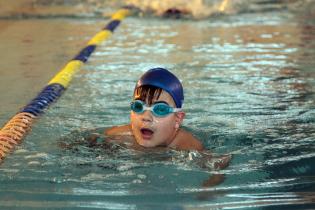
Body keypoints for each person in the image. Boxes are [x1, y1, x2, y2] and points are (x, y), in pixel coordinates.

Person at [105, 67, 204, 151]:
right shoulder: (116, 137)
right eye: (138, 106)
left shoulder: (189, 148)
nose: (146, 117)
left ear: (178, 119)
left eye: (160, 109)